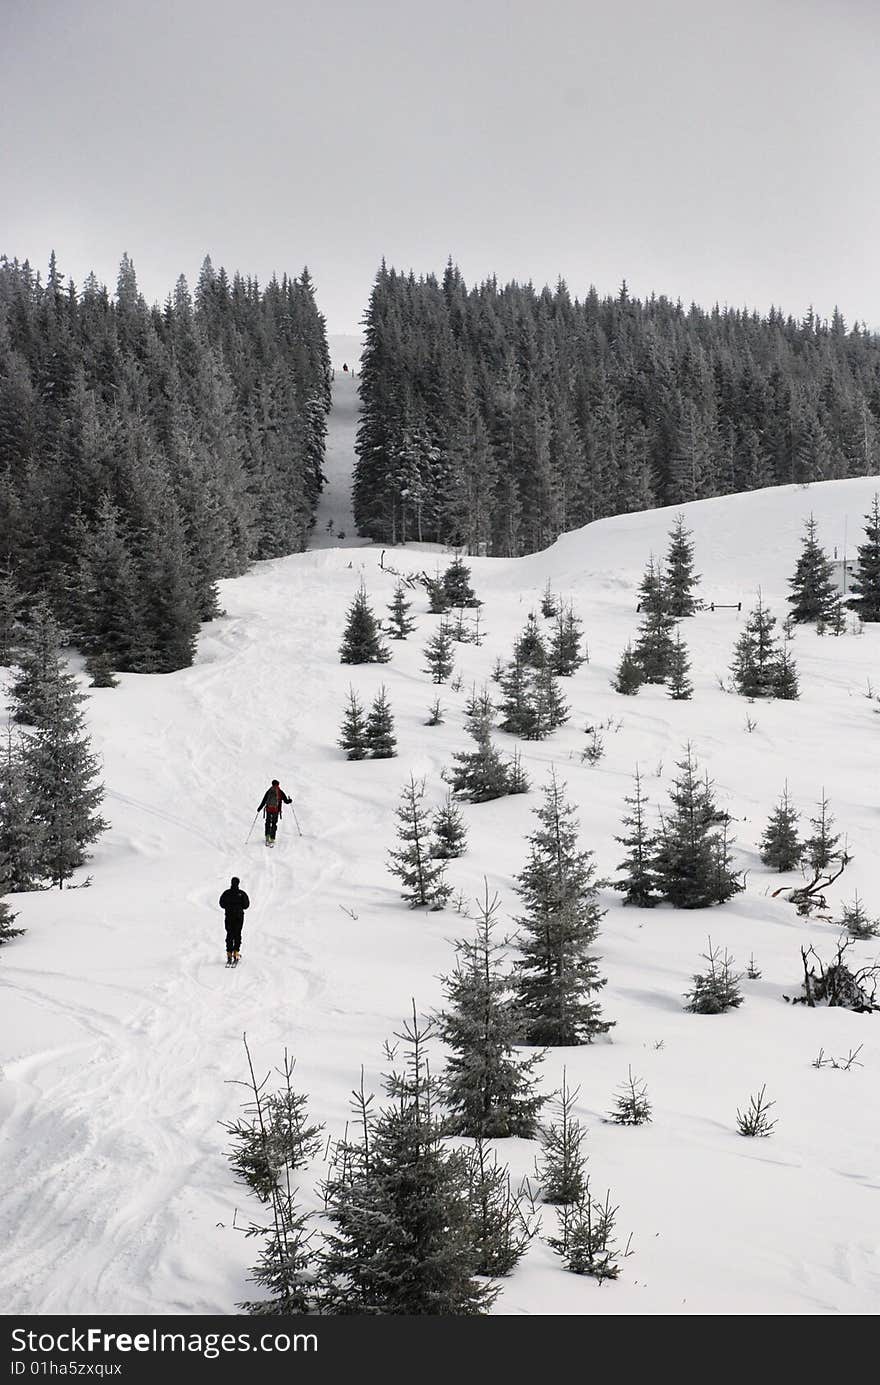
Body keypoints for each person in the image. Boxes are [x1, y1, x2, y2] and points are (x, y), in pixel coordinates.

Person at [219, 875, 249, 964]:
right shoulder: (242, 893)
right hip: (239, 917)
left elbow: (221, 904)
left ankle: (229, 953)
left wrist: (228, 907)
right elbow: (246, 905)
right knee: (237, 934)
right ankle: (236, 953)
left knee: (229, 934)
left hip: (228, 916)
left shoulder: (226, 893)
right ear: (238, 883)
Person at [257, 778, 292, 846]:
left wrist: (259, 808)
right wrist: (289, 800)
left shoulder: (269, 791)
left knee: (267, 823)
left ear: (272, 784)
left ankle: (267, 837)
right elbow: (286, 801)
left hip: (268, 810)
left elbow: (264, 801)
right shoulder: (280, 792)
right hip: (276, 811)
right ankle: (272, 838)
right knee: (274, 824)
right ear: (278, 784)